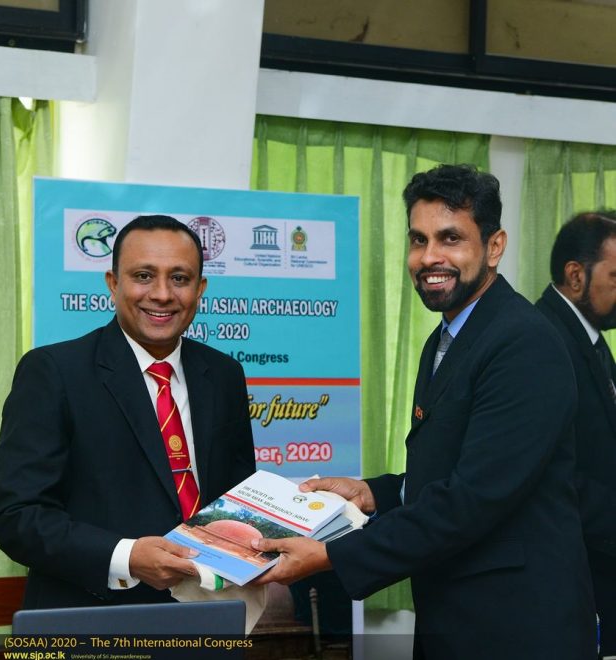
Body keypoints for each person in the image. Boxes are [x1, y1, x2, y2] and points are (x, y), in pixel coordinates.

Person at [253, 165, 596, 659]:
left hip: (517, 629)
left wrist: (330, 555)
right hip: (457, 619)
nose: (429, 257)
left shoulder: (523, 342)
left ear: (494, 246)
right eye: (418, 240)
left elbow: (472, 499)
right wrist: (375, 493)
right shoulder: (447, 338)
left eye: (450, 238)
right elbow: (454, 470)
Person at [0, 214, 255, 608]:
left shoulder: (223, 373)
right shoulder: (54, 372)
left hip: (211, 613)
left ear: (200, 289)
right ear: (113, 283)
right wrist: (126, 557)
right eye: (144, 276)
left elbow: (237, 496)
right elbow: (16, 516)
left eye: (179, 278)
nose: (162, 294)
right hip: (92, 618)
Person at [535, 212, 616, 659]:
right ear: (576, 275)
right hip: (570, 576)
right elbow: (552, 472)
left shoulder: (591, 339)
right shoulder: (543, 340)